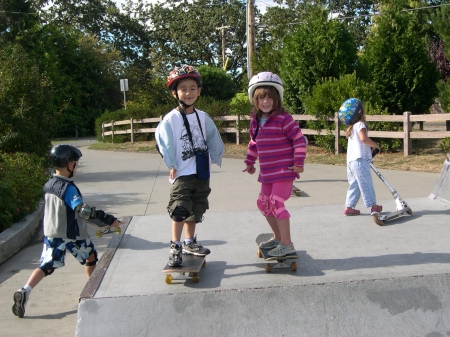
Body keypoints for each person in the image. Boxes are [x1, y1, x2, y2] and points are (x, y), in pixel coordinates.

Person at [12, 144, 120, 318]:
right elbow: (82, 211)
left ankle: (25, 290)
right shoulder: (68, 189)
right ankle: (94, 292)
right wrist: (106, 219)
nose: (77, 166)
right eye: (76, 163)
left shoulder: (49, 184)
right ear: (70, 165)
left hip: (52, 234)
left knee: (46, 266)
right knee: (90, 256)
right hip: (72, 234)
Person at [155, 64, 224, 267]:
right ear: (175, 93)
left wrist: (217, 156)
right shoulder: (171, 119)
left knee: (196, 207)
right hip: (182, 171)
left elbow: (213, 137)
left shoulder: (202, 116)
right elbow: (163, 141)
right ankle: (175, 246)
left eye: (193, 88)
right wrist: (171, 163)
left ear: (199, 91)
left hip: (201, 170)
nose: (188, 92)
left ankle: (189, 242)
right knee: (180, 208)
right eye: (183, 88)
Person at [243, 71, 307, 257]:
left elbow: (299, 140)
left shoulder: (284, 119)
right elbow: (254, 142)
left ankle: (286, 244)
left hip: (284, 170)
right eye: (261, 97)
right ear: (255, 100)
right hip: (267, 172)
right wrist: (249, 162)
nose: (266, 101)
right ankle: (278, 237)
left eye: (270, 97)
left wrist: (299, 163)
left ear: (277, 98)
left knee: (276, 203)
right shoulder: (255, 121)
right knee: (263, 203)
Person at [338, 98, 382, 216]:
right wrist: (375, 145)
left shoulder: (351, 128)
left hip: (351, 163)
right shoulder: (360, 124)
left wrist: (370, 150)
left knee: (355, 185)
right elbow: (364, 139)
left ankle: (349, 207)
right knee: (366, 183)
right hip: (359, 161)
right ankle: (373, 206)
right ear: (360, 112)